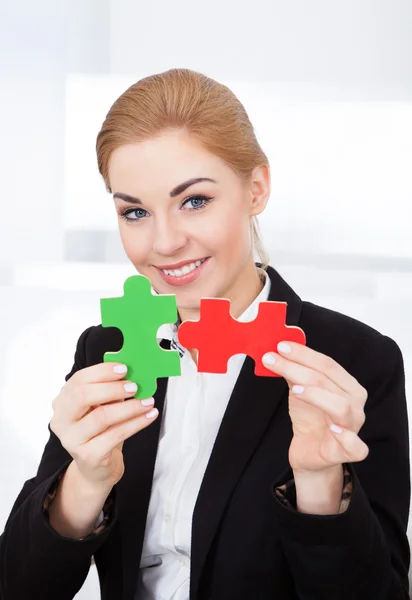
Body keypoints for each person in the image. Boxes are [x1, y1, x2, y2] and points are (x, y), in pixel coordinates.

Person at [0, 68, 410, 600]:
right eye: (135, 212)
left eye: (194, 200)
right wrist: (85, 481)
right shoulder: (104, 349)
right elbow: (18, 586)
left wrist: (319, 482)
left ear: (256, 189)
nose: (165, 242)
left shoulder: (355, 360)